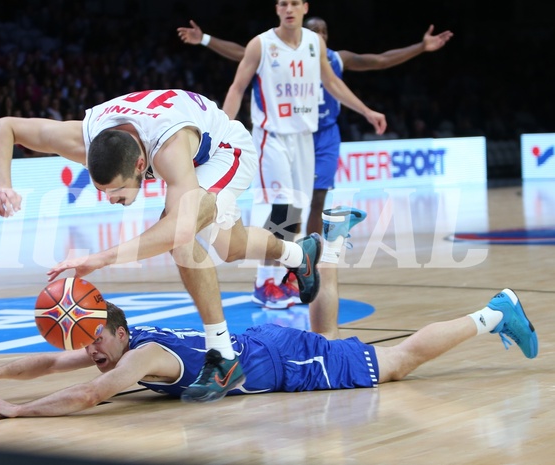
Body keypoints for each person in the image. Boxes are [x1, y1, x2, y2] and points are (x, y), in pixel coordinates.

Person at [0, 88, 324, 403]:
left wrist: (101, 258)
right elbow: (5, 127)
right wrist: (2, 185)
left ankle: (222, 357)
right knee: (231, 247)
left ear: (139, 165)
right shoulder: (86, 136)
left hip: (224, 149)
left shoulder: (169, 148)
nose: (112, 199)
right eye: (102, 190)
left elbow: (178, 231)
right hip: (180, 137)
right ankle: (299, 254)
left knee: (182, 235)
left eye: (117, 190)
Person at [177, 16, 453, 333]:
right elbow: (243, 55)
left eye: (323, 33)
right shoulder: (280, 50)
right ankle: (276, 275)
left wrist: (421, 47)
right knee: (284, 207)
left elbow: (377, 61)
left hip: (319, 136)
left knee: (311, 203)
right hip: (284, 134)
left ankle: (299, 264)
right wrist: (206, 40)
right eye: (314, 32)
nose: (317, 37)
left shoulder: (331, 58)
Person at [0, 289, 538, 417]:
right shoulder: (119, 347)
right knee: (348, 349)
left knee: (395, 364)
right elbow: (56, 362)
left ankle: (494, 313)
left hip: (278, 360)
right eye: (89, 343)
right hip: (262, 345)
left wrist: (19, 410)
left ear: (121, 331)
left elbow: (88, 393)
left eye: (96, 340)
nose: (90, 352)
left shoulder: (135, 359)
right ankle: (331, 242)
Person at [218, 1, 387, 311]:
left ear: (305, 7)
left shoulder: (314, 44)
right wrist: (223, 129)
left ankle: (281, 275)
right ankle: (263, 282)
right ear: (277, 9)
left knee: (297, 208)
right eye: (284, 4)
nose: (289, 9)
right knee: (282, 209)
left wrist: (365, 110)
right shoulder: (262, 44)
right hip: (272, 136)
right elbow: (237, 86)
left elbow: (332, 82)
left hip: (304, 137)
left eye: (295, 3)